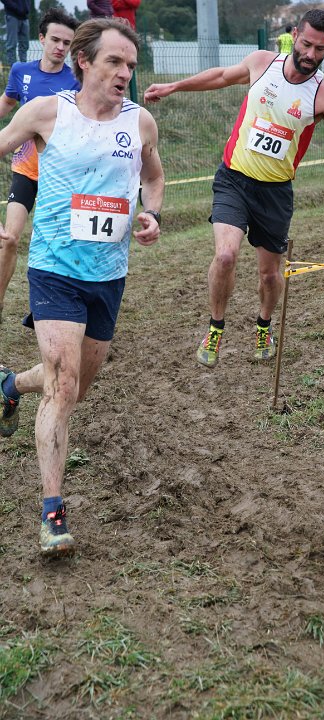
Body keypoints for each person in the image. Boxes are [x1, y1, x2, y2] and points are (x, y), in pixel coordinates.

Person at [0, 18, 164, 558]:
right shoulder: (47, 113)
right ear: (85, 61)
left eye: (131, 65)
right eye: (114, 61)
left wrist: (152, 213)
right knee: (63, 384)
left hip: (108, 276)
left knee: (71, 388)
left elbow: (153, 177)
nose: (124, 73)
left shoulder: (140, 122)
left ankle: (8, 386)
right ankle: (53, 513)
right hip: (53, 269)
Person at [145, 9, 324, 368]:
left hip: (275, 193)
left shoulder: (323, 96)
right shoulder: (262, 63)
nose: (311, 54)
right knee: (225, 256)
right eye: (307, 44)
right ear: (295, 35)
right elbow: (220, 76)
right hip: (234, 179)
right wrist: (174, 86)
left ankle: (264, 325)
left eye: (320, 49)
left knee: (269, 274)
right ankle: (215, 327)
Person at [0, 8, 81, 325]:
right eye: (56, 40)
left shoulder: (75, 80)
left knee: (54, 246)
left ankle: (46, 307)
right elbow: (8, 102)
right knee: (9, 239)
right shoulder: (21, 71)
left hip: (59, 177)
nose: (61, 47)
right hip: (25, 170)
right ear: (42, 38)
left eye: (67, 43)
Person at [1, 0, 29, 66]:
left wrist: (26, 7)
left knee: (24, 45)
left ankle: (23, 67)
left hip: (24, 16)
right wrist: (16, 7)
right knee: (11, 44)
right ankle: (14, 68)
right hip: (12, 15)